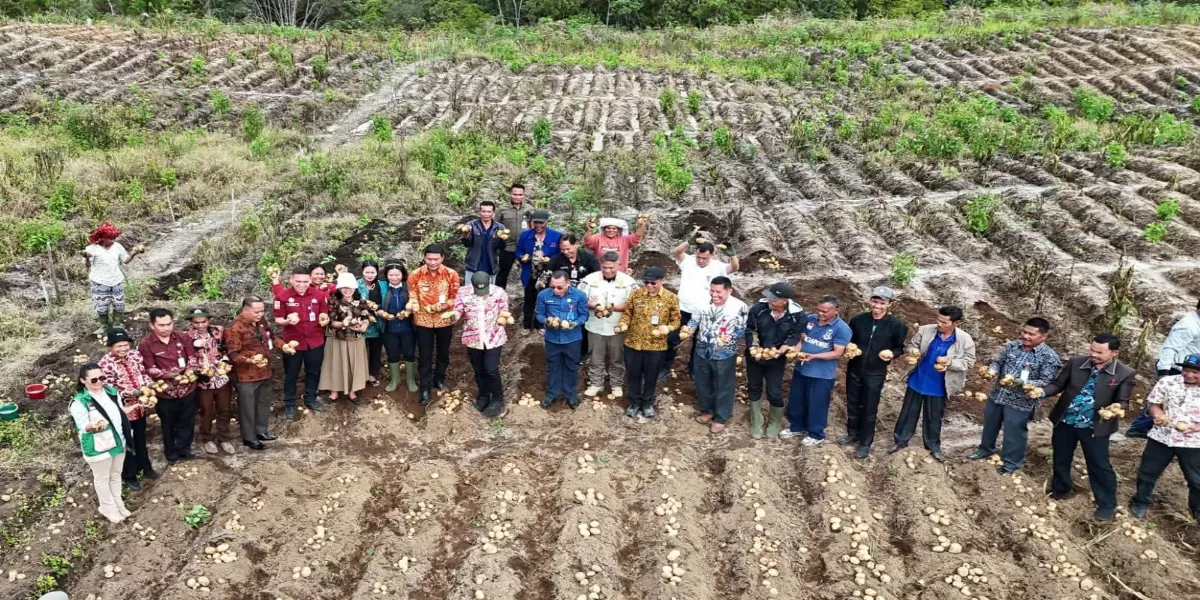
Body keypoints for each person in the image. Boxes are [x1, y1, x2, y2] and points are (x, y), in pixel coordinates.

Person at [1040, 333, 1134, 521]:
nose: (1093, 355)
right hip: (1066, 420)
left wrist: (1116, 407)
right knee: (1060, 457)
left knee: (1098, 464)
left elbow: (1123, 400)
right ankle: (1061, 489)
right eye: (1092, 350)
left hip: (1095, 425)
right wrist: (1041, 392)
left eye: (1099, 352)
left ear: (1114, 353)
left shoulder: (1124, 373)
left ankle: (1106, 504)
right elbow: (1058, 384)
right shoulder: (1076, 363)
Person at [970, 317, 1061, 474]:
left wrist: (1022, 382)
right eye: (1024, 332)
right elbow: (998, 362)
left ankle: (1012, 463)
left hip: (1021, 401)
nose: (1025, 336)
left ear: (1043, 336)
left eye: (1031, 334)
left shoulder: (1050, 357)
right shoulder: (1012, 346)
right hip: (998, 395)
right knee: (990, 424)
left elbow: (1046, 381)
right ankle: (985, 449)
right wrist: (992, 371)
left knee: (1014, 432)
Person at [890, 305, 976, 461]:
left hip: (939, 385)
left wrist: (951, 363)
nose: (939, 324)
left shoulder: (964, 340)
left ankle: (933, 447)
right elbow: (912, 345)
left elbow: (969, 361)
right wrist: (913, 351)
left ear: (956, 323)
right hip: (918, 380)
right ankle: (900, 441)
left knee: (933, 418)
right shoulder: (926, 330)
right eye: (938, 320)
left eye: (944, 322)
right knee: (908, 413)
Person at [1130, 353, 1200, 523]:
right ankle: (1141, 501)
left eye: (1195, 372)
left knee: (1196, 480)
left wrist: (1194, 428)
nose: (1189, 375)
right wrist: (1158, 415)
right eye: (1186, 370)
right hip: (1161, 437)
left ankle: (1197, 510)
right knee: (1147, 473)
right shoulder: (1167, 382)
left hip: (1193, 442)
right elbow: (1154, 403)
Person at [841, 287, 908, 458]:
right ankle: (853, 433)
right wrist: (849, 349)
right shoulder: (858, 320)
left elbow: (900, 348)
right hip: (855, 368)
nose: (877, 306)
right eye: (875, 301)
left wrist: (892, 353)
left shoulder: (897, 326)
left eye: (882, 303)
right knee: (853, 403)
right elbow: (849, 341)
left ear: (890, 304)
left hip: (876, 372)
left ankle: (865, 442)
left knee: (869, 407)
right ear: (870, 301)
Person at [70, 363, 137, 523]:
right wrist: (94, 426)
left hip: (118, 440)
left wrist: (136, 406)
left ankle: (118, 503)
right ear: (83, 380)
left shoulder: (111, 392)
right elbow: (83, 426)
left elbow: (120, 412)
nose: (99, 382)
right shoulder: (80, 402)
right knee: (102, 478)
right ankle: (107, 507)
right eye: (94, 380)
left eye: (101, 378)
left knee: (115, 474)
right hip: (99, 445)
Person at [781, 295, 852, 446]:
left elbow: (837, 353)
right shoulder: (810, 319)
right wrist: (796, 352)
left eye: (825, 311)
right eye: (818, 310)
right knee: (797, 399)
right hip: (801, 369)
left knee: (817, 404)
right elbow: (801, 340)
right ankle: (796, 427)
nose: (820, 314)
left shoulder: (842, 329)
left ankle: (816, 434)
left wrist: (814, 356)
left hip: (822, 374)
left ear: (836, 311)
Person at [665, 236, 739, 380]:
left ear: (712, 255)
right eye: (698, 257)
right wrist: (688, 242)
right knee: (672, 338)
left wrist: (732, 256)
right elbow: (677, 252)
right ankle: (665, 366)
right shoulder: (688, 261)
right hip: (683, 309)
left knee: (700, 342)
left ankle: (694, 370)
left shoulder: (718, 266)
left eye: (705, 258)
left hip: (705, 312)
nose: (701, 260)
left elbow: (734, 267)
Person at [1128, 300, 1200, 437]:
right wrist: (1164, 373)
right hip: (1176, 368)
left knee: (1175, 400)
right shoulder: (1188, 325)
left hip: (1191, 367)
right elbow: (1169, 348)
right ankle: (1139, 428)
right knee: (1162, 399)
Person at [744, 282, 806, 440]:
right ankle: (756, 419)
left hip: (777, 358)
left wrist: (782, 350)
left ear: (784, 301)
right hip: (755, 355)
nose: (769, 301)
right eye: (769, 297)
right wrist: (754, 348)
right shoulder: (758, 309)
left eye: (773, 299)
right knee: (754, 386)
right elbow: (751, 329)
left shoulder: (797, 315)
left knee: (774, 390)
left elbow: (795, 335)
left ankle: (775, 421)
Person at [97, 327, 156, 490]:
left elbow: (142, 374)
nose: (123, 349)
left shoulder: (135, 355)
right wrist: (132, 392)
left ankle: (146, 467)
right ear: (110, 347)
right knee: (126, 442)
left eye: (125, 345)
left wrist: (149, 385)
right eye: (118, 346)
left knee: (140, 438)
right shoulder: (105, 365)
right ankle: (129, 475)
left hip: (139, 406)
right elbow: (109, 390)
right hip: (122, 410)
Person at [139, 308, 200, 465]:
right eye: (161, 325)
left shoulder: (183, 337)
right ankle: (171, 454)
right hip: (165, 393)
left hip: (187, 389)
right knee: (168, 424)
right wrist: (170, 375)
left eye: (169, 324)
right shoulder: (146, 344)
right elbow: (150, 369)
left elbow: (192, 358)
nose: (166, 328)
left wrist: (190, 370)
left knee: (187, 421)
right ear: (152, 325)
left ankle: (184, 449)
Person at [689, 277, 748, 434]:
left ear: (729, 291)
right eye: (712, 290)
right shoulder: (702, 303)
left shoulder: (739, 307)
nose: (714, 294)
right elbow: (694, 321)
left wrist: (731, 336)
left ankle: (721, 417)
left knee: (724, 385)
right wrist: (688, 330)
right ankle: (707, 410)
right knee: (702, 382)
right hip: (702, 349)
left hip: (724, 352)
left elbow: (742, 328)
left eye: (718, 292)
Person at [619, 267, 680, 419]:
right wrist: (623, 324)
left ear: (662, 281)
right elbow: (627, 314)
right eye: (646, 282)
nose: (649, 285)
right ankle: (634, 402)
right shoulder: (636, 295)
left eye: (653, 283)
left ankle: (647, 403)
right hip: (633, 343)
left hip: (656, 346)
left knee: (651, 376)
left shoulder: (671, 298)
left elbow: (676, 320)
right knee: (633, 375)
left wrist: (669, 328)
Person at [273, 266, 329, 419]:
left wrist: (325, 320)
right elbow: (278, 319)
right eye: (298, 281)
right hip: (292, 343)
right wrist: (287, 321)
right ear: (291, 280)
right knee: (291, 374)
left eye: (305, 281)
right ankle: (290, 404)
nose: (302, 284)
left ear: (310, 280)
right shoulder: (282, 297)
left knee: (314, 372)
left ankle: (310, 399)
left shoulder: (319, 295)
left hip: (315, 341)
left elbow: (324, 314)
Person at [409, 244, 461, 406]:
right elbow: (412, 296)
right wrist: (414, 306)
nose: (432, 262)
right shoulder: (415, 275)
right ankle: (425, 387)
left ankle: (439, 380)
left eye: (436, 259)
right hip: (423, 321)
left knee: (443, 353)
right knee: (424, 355)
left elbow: (456, 297)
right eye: (429, 259)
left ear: (442, 258)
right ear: (424, 258)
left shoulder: (451, 274)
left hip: (444, 320)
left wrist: (442, 306)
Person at [454, 272, 511, 417]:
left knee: (491, 369)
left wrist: (504, 319)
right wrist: (452, 316)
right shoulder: (463, 293)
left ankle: (497, 398)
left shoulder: (499, 292)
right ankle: (484, 396)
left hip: (494, 336)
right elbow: (458, 310)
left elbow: (504, 311)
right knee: (478, 369)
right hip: (473, 337)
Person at [580, 252, 636, 398]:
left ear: (619, 265)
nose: (608, 270)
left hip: (618, 326)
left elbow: (634, 303)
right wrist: (594, 305)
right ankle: (596, 383)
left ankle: (616, 384)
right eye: (604, 267)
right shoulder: (589, 279)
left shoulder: (628, 282)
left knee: (617, 358)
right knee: (595, 357)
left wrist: (613, 307)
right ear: (600, 265)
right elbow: (580, 298)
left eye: (611, 267)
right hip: (595, 325)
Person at [223, 296, 276, 450]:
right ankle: (249, 437)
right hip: (246, 375)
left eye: (262, 311)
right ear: (245, 310)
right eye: (256, 312)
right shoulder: (233, 328)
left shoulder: (261, 322)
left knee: (263, 403)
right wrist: (249, 360)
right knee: (247, 407)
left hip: (264, 370)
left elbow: (271, 337)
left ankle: (261, 431)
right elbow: (233, 354)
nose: (260, 314)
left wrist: (284, 346)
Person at [184, 306, 236, 456]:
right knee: (206, 410)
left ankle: (224, 438)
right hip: (203, 380)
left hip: (221, 377)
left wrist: (225, 361)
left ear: (209, 320)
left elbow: (227, 348)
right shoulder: (186, 337)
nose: (200, 325)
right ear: (191, 322)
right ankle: (207, 438)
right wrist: (197, 371)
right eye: (196, 322)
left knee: (224, 408)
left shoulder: (218, 331)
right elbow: (187, 357)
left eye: (204, 322)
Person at [536, 270, 590, 409]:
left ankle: (570, 394)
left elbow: (584, 315)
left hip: (573, 339)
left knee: (572, 366)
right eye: (553, 286)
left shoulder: (579, 295)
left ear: (568, 283)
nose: (555, 290)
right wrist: (546, 321)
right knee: (552, 366)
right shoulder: (543, 295)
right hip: (552, 338)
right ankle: (552, 393)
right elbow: (539, 314)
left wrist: (575, 323)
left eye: (559, 287)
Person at [319, 272, 373, 404]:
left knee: (353, 364)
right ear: (339, 288)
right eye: (344, 287)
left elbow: (366, 316)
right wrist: (344, 324)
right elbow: (331, 321)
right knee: (335, 364)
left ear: (354, 288)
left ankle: (352, 391)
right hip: (337, 338)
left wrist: (364, 326)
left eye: (350, 287)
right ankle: (334, 391)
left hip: (355, 338)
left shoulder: (361, 300)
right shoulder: (333, 300)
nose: (347, 290)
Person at [82, 222, 143, 334]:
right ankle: (104, 325)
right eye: (111, 238)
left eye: (114, 237)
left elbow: (125, 261)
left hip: (116, 280)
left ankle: (117, 324)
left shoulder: (117, 247)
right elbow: (87, 265)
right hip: (99, 281)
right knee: (101, 304)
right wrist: (86, 258)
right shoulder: (91, 249)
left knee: (118, 303)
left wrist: (133, 254)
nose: (113, 240)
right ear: (103, 237)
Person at [516, 210, 563, 331]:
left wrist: (551, 260)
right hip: (530, 273)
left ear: (547, 222)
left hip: (547, 274)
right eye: (535, 222)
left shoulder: (556, 236)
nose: (538, 225)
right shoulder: (525, 235)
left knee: (545, 299)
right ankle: (527, 325)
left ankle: (541, 324)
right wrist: (522, 257)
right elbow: (519, 250)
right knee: (529, 299)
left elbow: (561, 255)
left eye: (541, 223)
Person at [378, 263, 417, 393]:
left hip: (408, 328)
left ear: (403, 274)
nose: (394, 277)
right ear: (386, 275)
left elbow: (416, 302)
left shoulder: (408, 286)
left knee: (409, 353)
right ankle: (395, 380)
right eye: (391, 275)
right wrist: (382, 313)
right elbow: (375, 304)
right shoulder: (382, 287)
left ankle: (410, 380)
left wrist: (408, 311)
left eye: (397, 274)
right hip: (389, 328)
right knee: (392, 354)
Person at [461, 200, 510, 284]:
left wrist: (503, 239)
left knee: (489, 291)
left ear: (493, 213)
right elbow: (467, 244)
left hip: (490, 266)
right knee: (470, 291)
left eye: (489, 212)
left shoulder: (499, 227)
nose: (486, 214)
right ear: (479, 212)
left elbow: (501, 247)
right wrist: (466, 235)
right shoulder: (471, 225)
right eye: (483, 211)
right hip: (473, 266)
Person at [583, 214, 647, 273]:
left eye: (614, 228)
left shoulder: (624, 239)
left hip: (620, 273)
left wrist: (641, 225)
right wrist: (589, 230)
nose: (611, 231)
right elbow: (587, 242)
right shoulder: (598, 237)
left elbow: (637, 237)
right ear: (604, 229)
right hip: (599, 272)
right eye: (608, 228)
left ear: (618, 230)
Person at [494, 184, 529, 290]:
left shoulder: (529, 209)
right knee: (502, 274)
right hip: (507, 247)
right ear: (510, 194)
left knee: (529, 273)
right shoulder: (502, 209)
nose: (517, 197)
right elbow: (495, 227)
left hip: (525, 248)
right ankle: (499, 296)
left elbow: (533, 226)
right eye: (515, 194)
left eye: (520, 195)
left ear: (524, 195)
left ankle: (529, 296)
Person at [357, 260, 385, 386]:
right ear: (362, 271)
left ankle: (373, 375)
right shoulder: (356, 285)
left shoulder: (380, 285)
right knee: (360, 352)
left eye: (372, 272)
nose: (369, 275)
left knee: (375, 351)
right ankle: (360, 376)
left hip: (376, 323)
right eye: (367, 272)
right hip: (359, 322)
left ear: (377, 272)